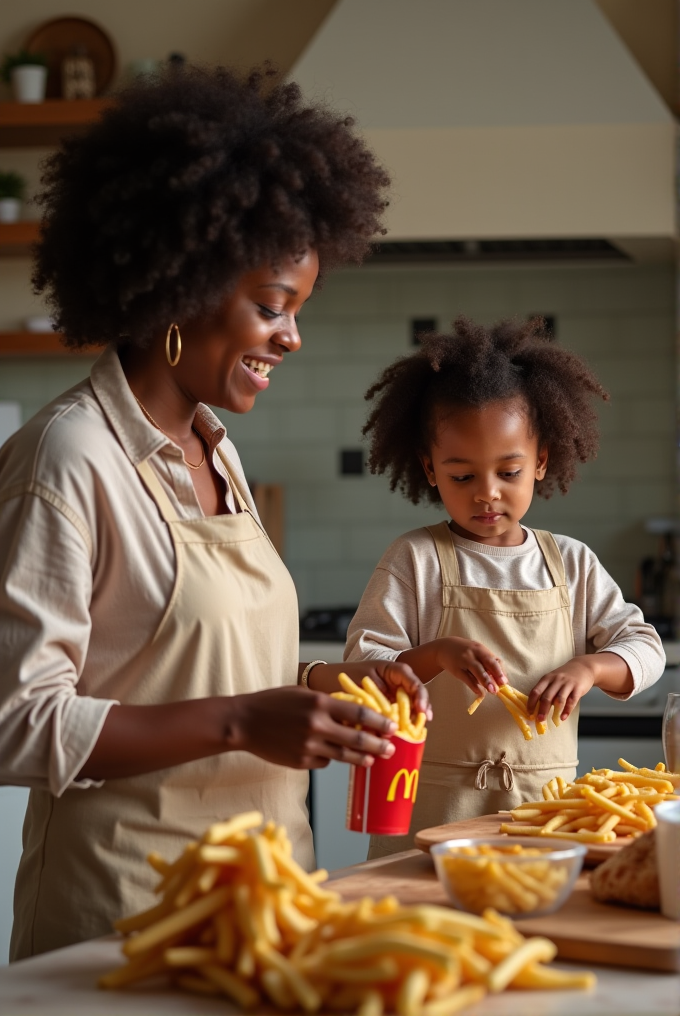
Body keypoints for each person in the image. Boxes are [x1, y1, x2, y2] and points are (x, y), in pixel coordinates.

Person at [0, 65, 430, 959]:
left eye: (297, 311)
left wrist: (322, 689)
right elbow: (17, 720)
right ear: (183, 289)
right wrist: (243, 721)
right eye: (273, 308)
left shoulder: (215, 449)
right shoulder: (66, 456)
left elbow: (196, 662)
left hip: (266, 903)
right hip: (124, 921)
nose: (292, 337)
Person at [345, 317, 665, 858]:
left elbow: (646, 649)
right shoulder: (415, 558)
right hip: (431, 809)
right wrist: (437, 655)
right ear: (430, 469)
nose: (487, 494)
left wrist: (589, 668)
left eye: (508, 472)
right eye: (463, 476)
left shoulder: (572, 562)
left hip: (544, 813)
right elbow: (365, 661)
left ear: (540, 463)